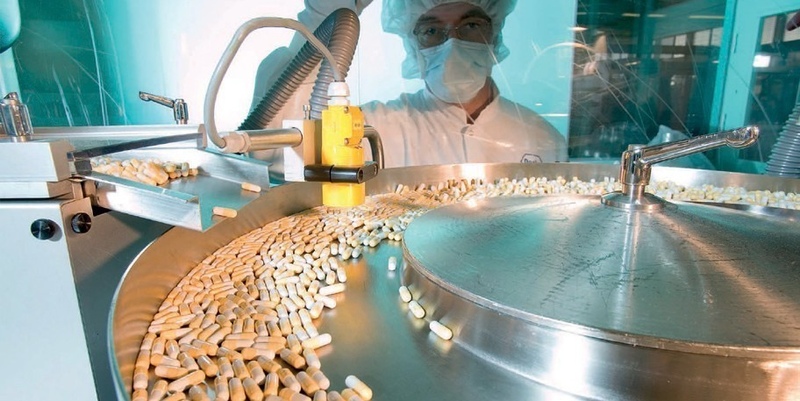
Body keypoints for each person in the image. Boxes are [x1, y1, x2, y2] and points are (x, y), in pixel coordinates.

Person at [251, 0, 567, 169]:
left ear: (494, 35)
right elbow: (276, 150)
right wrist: (323, 18)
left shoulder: (542, 138)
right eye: (431, 31)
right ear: (413, 46)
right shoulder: (374, 128)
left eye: (471, 25)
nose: (452, 45)